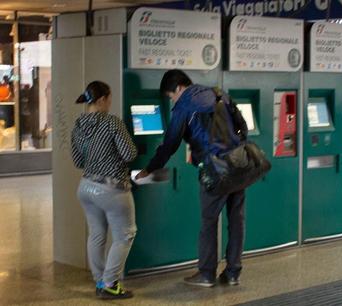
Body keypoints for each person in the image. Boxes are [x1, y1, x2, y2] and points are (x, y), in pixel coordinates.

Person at [136, 69, 248, 288]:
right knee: (237, 219)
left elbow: (170, 143)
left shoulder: (184, 105)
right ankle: (233, 273)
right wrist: (236, 148)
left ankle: (206, 273)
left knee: (209, 221)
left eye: (171, 96)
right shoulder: (219, 94)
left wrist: (150, 168)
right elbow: (242, 125)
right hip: (238, 164)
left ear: (178, 88)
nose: (172, 100)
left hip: (214, 169)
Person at [71, 81, 137, 299]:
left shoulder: (78, 124)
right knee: (125, 235)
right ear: (101, 100)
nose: (110, 103)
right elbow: (129, 154)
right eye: (109, 99)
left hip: (86, 187)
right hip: (112, 189)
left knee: (97, 235)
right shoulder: (112, 123)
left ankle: (100, 281)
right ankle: (110, 284)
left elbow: (78, 160)